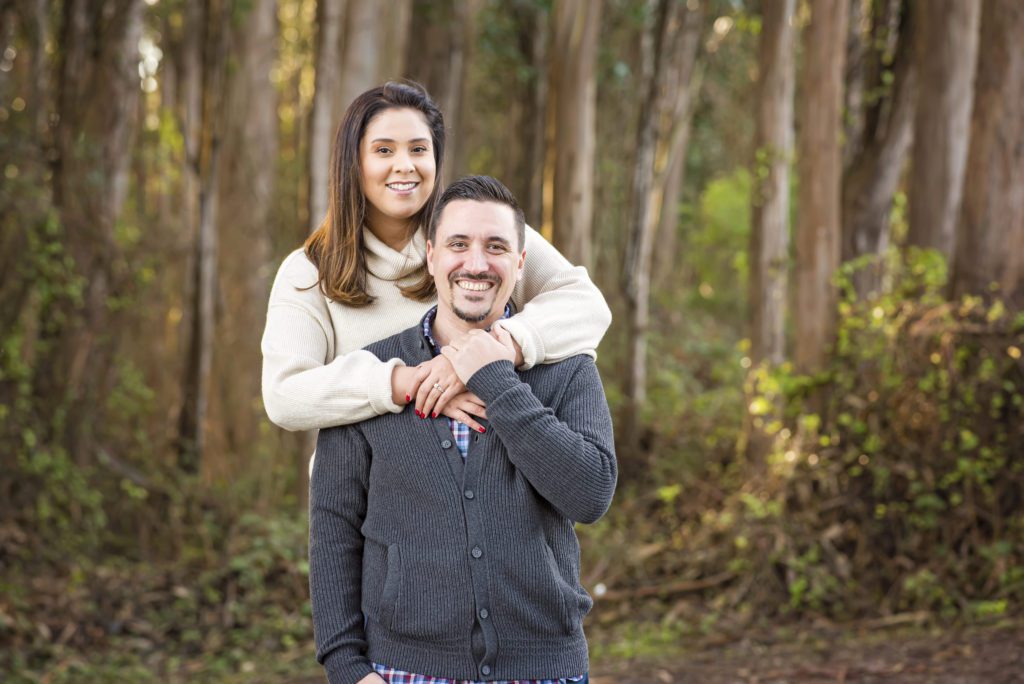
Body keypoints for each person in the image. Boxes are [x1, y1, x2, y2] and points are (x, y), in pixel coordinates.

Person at [309, 176, 616, 683]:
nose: (476, 263)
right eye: (458, 245)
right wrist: (345, 665)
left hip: (544, 671)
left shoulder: (568, 368)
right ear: (430, 257)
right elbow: (334, 528)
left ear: (520, 265)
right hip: (403, 671)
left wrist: (496, 379)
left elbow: (590, 495)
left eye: (496, 247)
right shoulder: (373, 375)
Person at [261, 81, 610, 437]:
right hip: (362, 484)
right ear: (354, 161)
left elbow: (587, 305)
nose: (405, 165)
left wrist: (484, 354)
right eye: (384, 150)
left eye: (418, 149)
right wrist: (415, 382)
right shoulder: (309, 271)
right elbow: (284, 394)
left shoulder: (482, 239)